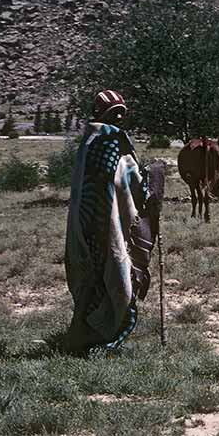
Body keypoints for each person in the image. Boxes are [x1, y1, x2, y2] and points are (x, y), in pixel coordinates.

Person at [63, 90, 156, 354]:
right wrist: (148, 185)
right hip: (102, 224)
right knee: (114, 276)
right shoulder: (108, 140)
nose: (118, 117)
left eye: (121, 112)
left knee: (100, 276)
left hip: (91, 223)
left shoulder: (91, 141)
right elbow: (122, 180)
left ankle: (88, 333)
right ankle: (104, 335)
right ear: (101, 112)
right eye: (114, 112)